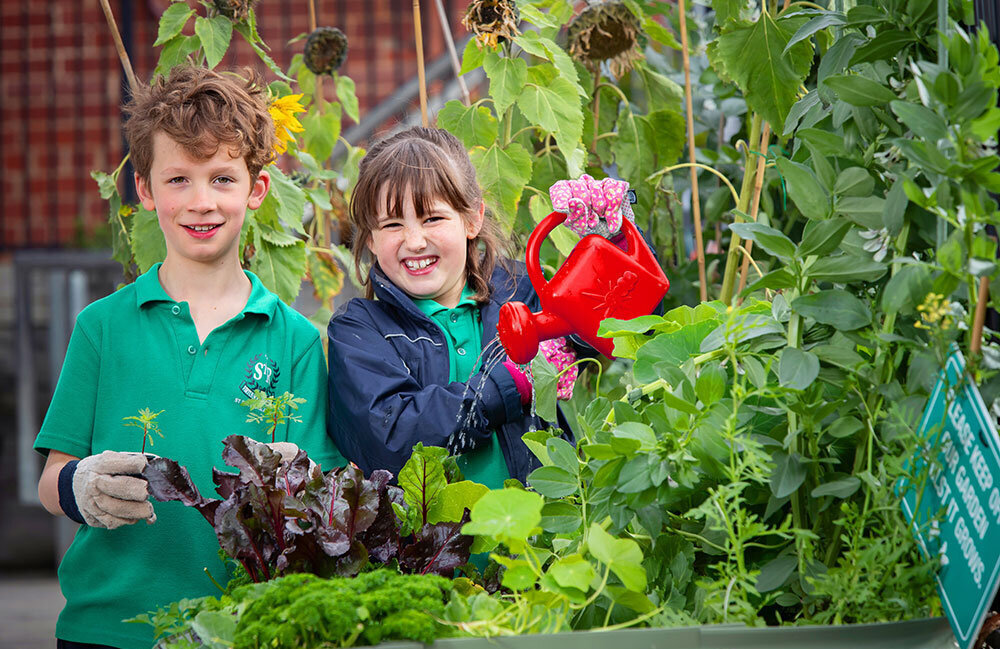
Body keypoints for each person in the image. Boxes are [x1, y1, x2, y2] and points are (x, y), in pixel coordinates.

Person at [34, 65, 345, 649]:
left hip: (242, 626)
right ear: (146, 190)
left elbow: (322, 484)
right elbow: (52, 480)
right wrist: (80, 485)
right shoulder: (101, 327)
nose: (202, 202)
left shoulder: (296, 339)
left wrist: (299, 478)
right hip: (107, 627)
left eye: (222, 179)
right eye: (178, 179)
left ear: (256, 189)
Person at [326, 126, 657, 488]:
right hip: (429, 527)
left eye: (432, 218)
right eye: (392, 224)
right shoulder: (360, 331)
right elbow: (391, 439)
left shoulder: (520, 291)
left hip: (541, 521)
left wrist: (617, 239)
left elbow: (621, 323)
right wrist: (508, 384)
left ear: (472, 219)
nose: (415, 241)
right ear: (371, 240)